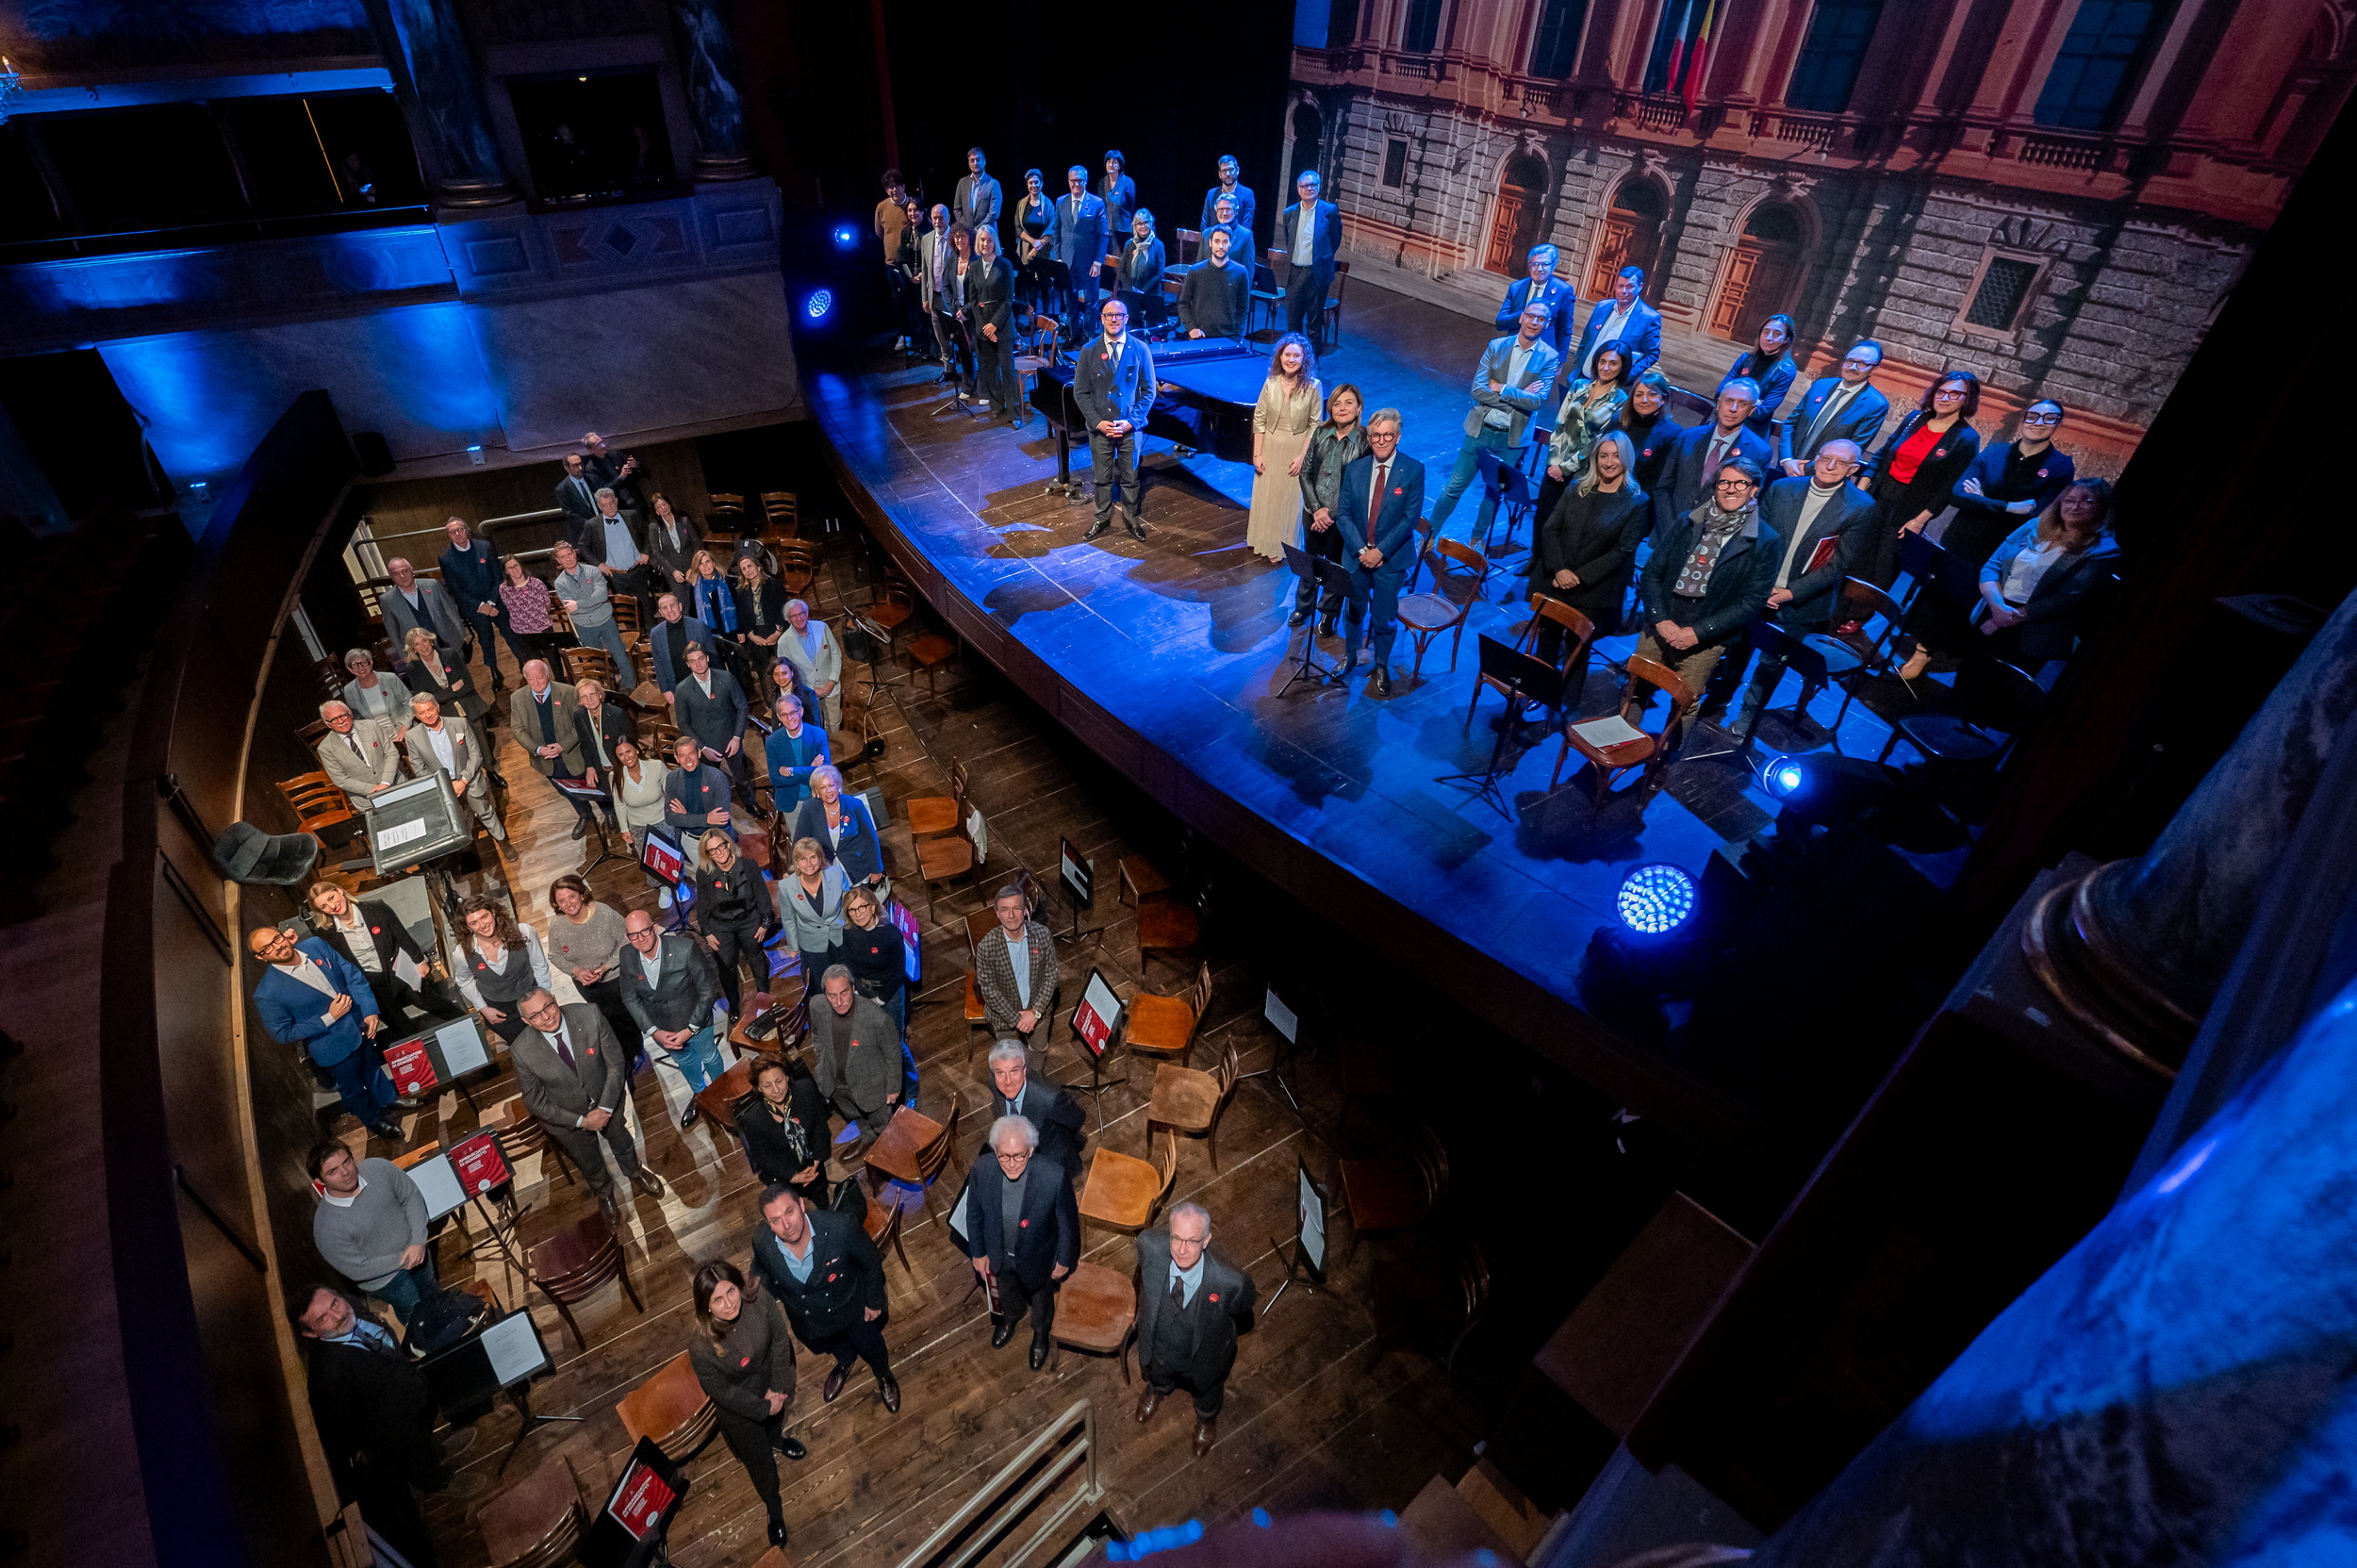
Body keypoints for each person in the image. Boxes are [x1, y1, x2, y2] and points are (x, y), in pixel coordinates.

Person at [291, 1282, 469, 1566]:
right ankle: (439, 1480)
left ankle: (437, 1451)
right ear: (310, 1332)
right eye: (322, 1318)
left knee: (427, 1440)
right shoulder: (328, 1377)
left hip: (413, 1401)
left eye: (334, 1303)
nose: (337, 1315)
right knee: (419, 1462)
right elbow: (340, 1428)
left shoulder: (354, 1312)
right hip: (394, 1432)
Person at [1721, 438, 1878, 729]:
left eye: (1841, 463)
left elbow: (1838, 566)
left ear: (1853, 469)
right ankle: (1719, 698)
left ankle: (1747, 716)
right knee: (1735, 648)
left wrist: (1788, 593)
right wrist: (1759, 584)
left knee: (1772, 663)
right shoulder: (1783, 489)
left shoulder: (1861, 508)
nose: (1830, 466)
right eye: (1825, 458)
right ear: (1814, 459)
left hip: (1801, 601)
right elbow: (1753, 536)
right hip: (1757, 588)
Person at [1627, 457, 1781, 742]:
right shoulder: (1688, 520)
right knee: (1637, 686)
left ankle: (1664, 758)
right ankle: (1620, 741)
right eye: (1724, 482)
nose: (1730, 489)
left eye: (1741, 483)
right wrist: (1660, 619)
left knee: (1684, 702)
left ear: (1754, 489)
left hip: (1706, 637)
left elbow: (1752, 601)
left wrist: (1698, 633)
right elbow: (1652, 573)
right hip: (1662, 621)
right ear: (1715, 486)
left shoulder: (1765, 540)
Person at [510, 988, 665, 1221]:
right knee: (588, 1162)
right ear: (526, 1021)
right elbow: (535, 1101)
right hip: (566, 1120)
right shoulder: (521, 1051)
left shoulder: (589, 1014)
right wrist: (582, 1121)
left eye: (548, 1007)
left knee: (622, 1140)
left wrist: (605, 1109)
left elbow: (615, 1064)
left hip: (608, 1100)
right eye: (535, 1016)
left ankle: (635, 1171)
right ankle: (604, 1193)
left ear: (555, 999)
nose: (546, 1017)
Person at [750, 1184, 899, 1411]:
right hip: (811, 1321)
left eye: (789, 1212)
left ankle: (883, 1375)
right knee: (835, 1346)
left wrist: (874, 1301)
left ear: (801, 1204)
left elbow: (870, 1263)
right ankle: (845, 1362)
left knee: (872, 1346)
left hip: (852, 1309)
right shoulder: (762, 1241)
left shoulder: (840, 1227)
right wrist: (754, 1294)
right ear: (768, 1224)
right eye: (776, 1220)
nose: (786, 1225)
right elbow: (759, 1267)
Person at [688, 1261, 804, 1550]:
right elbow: (724, 1393)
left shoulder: (759, 1297)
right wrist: (763, 1407)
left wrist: (777, 1390)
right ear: (707, 1308)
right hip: (742, 1409)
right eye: (717, 1300)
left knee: (777, 1424)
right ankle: (773, 1505)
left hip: (772, 1382)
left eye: (731, 1291)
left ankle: (777, 1439)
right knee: (759, 1461)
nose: (729, 1304)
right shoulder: (701, 1347)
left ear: (738, 1285)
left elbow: (779, 1340)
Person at [250, 924, 402, 1137]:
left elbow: (353, 977)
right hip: (332, 1046)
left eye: (276, 939)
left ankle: (389, 1100)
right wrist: (329, 1017)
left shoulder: (316, 945)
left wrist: (369, 1010)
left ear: (283, 935)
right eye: (267, 948)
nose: (277, 946)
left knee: (373, 1069)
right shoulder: (267, 993)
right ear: (261, 957)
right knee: (354, 1090)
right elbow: (282, 1033)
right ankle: (375, 1122)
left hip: (360, 1026)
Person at [1430, 302, 1560, 543]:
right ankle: (1429, 535)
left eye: (1541, 319)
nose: (1534, 322)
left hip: (1511, 440)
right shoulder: (1496, 346)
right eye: (1531, 316)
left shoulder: (1549, 358)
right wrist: (1520, 396)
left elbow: (1538, 402)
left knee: (1493, 493)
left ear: (1547, 323)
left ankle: (1477, 541)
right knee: (1453, 488)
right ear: (1521, 318)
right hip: (1480, 431)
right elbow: (1478, 391)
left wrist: (1502, 388)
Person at [958, 1114, 1080, 1371]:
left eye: (1019, 1155)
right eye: (1004, 1156)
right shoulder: (982, 1170)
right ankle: (1011, 1318)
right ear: (995, 1151)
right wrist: (978, 1252)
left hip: (1039, 1259)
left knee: (1042, 1299)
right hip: (999, 1254)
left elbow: (1068, 1225)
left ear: (1031, 1150)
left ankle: (1040, 1333)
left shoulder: (1053, 1178)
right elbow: (974, 1213)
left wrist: (1063, 1261)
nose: (1011, 1164)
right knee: (1007, 1291)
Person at [1133, 1203, 1256, 1458]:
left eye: (1191, 1240)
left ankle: (1206, 1417)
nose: (1181, 1249)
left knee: (1208, 1388)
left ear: (1206, 1240)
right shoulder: (1149, 1247)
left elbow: (1243, 1308)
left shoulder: (1229, 1282)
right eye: (1176, 1238)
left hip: (1203, 1355)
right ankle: (1158, 1388)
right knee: (1160, 1371)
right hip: (1160, 1345)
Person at [1529, 429, 1649, 676]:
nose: (1608, 462)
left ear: (1626, 458)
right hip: (1556, 578)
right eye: (1603, 456)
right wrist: (1560, 569)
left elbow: (1622, 550)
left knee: (1577, 649)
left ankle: (1567, 707)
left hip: (1592, 588)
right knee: (1547, 640)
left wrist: (1579, 577)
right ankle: (1538, 694)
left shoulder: (1637, 501)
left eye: (1616, 456)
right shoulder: (1576, 488)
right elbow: (1551, 528)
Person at [1974, 478, 2121, 669]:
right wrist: (1996, 605)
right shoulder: (2034, 525)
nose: (2074, 506)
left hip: (2033, 631)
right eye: (2068, 500)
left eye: (2087, 501)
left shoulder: (2104, 550)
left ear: (2102, 507)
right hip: (1994, 609)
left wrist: (2000, 621)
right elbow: (1992, 567)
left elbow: (2069, 599)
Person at [1861, 369, 1986, 590]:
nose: (1945, 398)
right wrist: (1862, 489)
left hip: (1910, 509)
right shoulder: (1915, 418)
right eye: (1941, 391)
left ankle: (1859, 618)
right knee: (1859, 553)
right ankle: (1837, 612)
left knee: (1883, 566)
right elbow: (1884, 452)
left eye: (1954, 394)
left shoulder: (1966, 438)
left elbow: (1949, 488)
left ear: (1968, 399)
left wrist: (1919, 521)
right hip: (1878, 495)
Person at [1333, 408, 1426, 698]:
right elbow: (1343, 515)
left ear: (1397, 437)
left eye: (1387, 435)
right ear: (1369, 437)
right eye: (1376, 435)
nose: (1381, 441)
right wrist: (1362, 550)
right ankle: (1350, 656)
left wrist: (1381, 552)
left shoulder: (1413, 470)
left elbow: (1409, 519)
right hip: (1357, 557)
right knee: (1354, 610)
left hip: (1391, 560)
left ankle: (1382, 665)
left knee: (1384, 617)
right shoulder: (1356, 469)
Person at [1945, 399, 2078, 586]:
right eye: (2032, 417)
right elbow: (1958, 495)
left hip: (2000, 555)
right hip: (1959, 540)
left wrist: (1982, 499)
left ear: (2058, 423)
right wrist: (2008, 506)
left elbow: (2036, 518)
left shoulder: (2061, 466)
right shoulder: (1994, 452)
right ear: (2023, 420)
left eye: (2049, 418)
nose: (2038, 423)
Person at [619, 907, 726, 1123]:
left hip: (696, 1023)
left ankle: (722, 1093)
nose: (640, 939)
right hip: (662, 1029)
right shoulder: (627, 955)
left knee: (709, 1056)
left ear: (655, 928)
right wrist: (653, 1031)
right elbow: (629, 997)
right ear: (627, 937)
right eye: (633, 935)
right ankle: (700, 1094)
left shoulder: (685, 949)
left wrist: (691, 1029)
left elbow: (707, 991)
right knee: (685, 1061)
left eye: (645, 931)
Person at [308, 1143, 435, 1324]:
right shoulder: (326, 1227)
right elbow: (359, 1268)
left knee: (432, 1293)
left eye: (347, 1162)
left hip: (418, 1249)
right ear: (320, 1181)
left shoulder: (378, 1168)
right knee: (414, 1313)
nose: (345, 1172)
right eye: (333, 1171)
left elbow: (410, 1195)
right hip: (386, 1280)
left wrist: (418, 1241)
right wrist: (406, 1257)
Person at [305, 881, 447, 1029]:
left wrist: (420, 962)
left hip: (399, 971)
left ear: (339, 891)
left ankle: (467, 1023)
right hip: (372, 986)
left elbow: (401, 936)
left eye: (331, 898)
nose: (332, 906)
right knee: (400, 1026)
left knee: (433, 1004)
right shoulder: (325, 934)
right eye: (324, 906)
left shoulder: (376, 909)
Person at [1074, 296, 1156, 542]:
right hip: (1101, 428)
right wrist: (1098, 422)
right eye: (1109, 315)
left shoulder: (1140, 348)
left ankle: (1131, 518)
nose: (1114, 319)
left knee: (1131, 477)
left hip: (1130, 427)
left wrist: (1132, 421)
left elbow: (1149, 390)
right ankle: (1101, 518)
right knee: (1101, 477)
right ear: (1102, 319)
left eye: (1118, 315)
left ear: (1126, 319)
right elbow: (1080, 392)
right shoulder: (1089, 350)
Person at [1291, 382, 1369, 633]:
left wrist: (1331, 514)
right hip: (1313, 513)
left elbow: (1359, 486)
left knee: (1335, 566)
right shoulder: (1320, 433)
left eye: (1348, 403)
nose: (1342, 408)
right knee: (1310, 562)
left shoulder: (1365, 442)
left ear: (1359, 408)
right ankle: (1304, 607)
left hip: (1342, 518)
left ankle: (1328, 615)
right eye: (1336, 403)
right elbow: (1305, 473)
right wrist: (1316, 510)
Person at [1653, 379, 1772, 536]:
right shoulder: (1687, 437)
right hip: (1667, 532)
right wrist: (1671, 528)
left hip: (1709, 541)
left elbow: (1744, 504)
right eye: (1729, 401)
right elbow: (1663, 487)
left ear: (1751, 410)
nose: (1733, 409)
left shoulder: (1759, 452)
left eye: (1742, 404)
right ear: (1718, 403)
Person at [1536, 338, 1633, 525]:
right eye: (1602, 361)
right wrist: (1555, 463)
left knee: (1563, 526)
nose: (1606, 367)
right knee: (1542, 520)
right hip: (1554, 465)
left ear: (1623, 366)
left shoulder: (1621, 401)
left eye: (1613, 363)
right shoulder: (1579, 386)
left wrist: (1565, 468)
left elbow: (1597, 442)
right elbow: (1560, 424)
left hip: (1582, 474)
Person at [1247, 334, 1324, 563]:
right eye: (1287, 354)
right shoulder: (1270, 383)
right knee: (1268, 496)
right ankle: (1262, 541)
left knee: (1288, 500)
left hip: (1295, 448)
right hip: (1270, 446)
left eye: (1296, 355)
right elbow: (1259, 419)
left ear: (1304, 358)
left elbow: (1315, 426)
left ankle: (1282, 547)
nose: (1291, 359)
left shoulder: (1313, 387)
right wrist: (1257, 453)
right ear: (1280, 357)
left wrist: (1303, 458)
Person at [808, 964, 900, 1145]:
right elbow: (817, 1035)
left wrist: (893, 1088)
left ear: (853, 988)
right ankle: (868, 1138)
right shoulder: (817, 1006)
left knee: (884, 1129)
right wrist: (821, 1062)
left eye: (844, 993)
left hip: (872, 1087)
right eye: (832, 995)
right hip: (837, 1085)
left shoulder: (877, 1019)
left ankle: (885, 1151)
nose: (839, 1001)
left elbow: (893, 1055)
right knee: (854, 1116)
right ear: (825, 994)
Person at [547, 871, 639, 1048]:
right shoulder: (557, 926)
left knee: (626, 1017)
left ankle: (634, 1051)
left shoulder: (604, 913)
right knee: (605, 1018)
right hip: (587, 985)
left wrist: (606, 967)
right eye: (561, 901)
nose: (568, 904)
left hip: (616, 978)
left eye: (572, 897)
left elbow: (626, 942)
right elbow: (555, 955)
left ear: (582, 895)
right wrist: (577, 971)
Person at [508, 659, 601, 837]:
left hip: (573, 754)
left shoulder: (567, 692)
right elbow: (517, 729)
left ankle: (609, 812)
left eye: (540, 678)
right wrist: (537, 749)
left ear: (548, 674)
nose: (536, 683)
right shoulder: (517, 698)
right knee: (567, 790)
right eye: (531, 679)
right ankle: (585, 815)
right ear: (525, 678)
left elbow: (580, 724)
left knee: (594, 785)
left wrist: (563, 745)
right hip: (546, 759)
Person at [694, 828, 778, 1020]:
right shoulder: (704, 874)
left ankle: (763, 997)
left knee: (756, 958)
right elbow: (703, 905)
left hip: (748, 921)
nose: (719, 852)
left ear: (728, 844)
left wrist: (765, 922)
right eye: (712, 851)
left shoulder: (748, 865)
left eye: (721, 846)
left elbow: (762, 896)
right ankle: (733, 1005)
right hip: (721, 926)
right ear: (707, 854)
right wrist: (706, 932)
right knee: (726, 966)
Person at [1777, 339, 1893, 476]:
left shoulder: (1876, 404)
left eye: (1862, 364)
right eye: (1850, 361)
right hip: (1785, 467)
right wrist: (1786, 460)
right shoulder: (1820, 386)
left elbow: (1853, 450)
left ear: (1874, 369)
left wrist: (1806, 469)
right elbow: (1790, 424)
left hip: (1822, 477)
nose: (1853, 367)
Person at [437, 517, 526, 690]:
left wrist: (492, 602)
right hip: (473, 606)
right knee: (485, 639)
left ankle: (522, 661)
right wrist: (481, 606)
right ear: (449, 535)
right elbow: (455, 589)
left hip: (496, 599)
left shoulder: (484, 547)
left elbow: (497, 576)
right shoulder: (445, 558)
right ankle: (494, 671)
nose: (457, 534)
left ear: (467, 530)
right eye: (452, 532)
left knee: (510, 632)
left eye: (460, 530)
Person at [404, 692, 505, 842]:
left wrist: (463, 781)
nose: (428, 715)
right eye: (422, 713)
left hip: (470, 780)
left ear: (437, 707)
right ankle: (468, 851)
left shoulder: (460, 723)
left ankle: (503, 841)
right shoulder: (412, 736)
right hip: (442, 786)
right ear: (416, 716)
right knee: (457, 823)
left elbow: (476, 755)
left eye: (430, 709)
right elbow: (419, 769)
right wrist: (446, 785)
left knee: (485, 813)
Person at [453, 895, 552, 1044]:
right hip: (501, 1012)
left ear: (493, 912)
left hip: (531, 997)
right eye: (474, 923)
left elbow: (540, 965)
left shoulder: (524, 932)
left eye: (484, 917)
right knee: (526, 1049)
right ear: (468, 927)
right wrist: (483, 1008)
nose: (482, 925)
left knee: (550, 1040)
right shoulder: (462, 953)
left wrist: (545, 997)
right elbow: (463, 980)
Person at [736, 1056, 833, 1205]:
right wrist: (793, 1176)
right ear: (758, 1088)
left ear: (787, 1077)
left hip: (812, 1161)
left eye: (779, 1081)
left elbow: (820, 1126)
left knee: (822, 1198)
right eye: (767, 1085)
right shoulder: (753, 1120)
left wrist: (815, 1164)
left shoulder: (805, 1090)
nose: (776, 1090)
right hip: (783, 1173)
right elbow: (763, 1157)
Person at [984, 1038, 1083, 1175]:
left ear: (1024, 1070)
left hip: (1051, 1162)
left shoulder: (1049, 1098)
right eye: (1000, 1073)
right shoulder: (995, 1084)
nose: (1007, 1081)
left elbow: (1077, 1118)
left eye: (1014, 1071)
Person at [976, 883, 1059, 1046]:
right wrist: (1017, 1019)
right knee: (1010, 1060)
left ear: (1025, 910)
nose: (1011, 915)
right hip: (1004, 1020)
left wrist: (1034, 1013)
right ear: (997, 913)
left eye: (1016, 908)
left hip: (1039, 1014)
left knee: (1039, 1051)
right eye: (1005, 909)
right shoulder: (987, 947)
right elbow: (989, 990)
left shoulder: (1042, 935)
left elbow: (1051, 975)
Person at [675, 641, 753, 803]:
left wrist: (737, 737)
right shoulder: (682, 690)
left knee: (742, 777)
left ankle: (750, 804)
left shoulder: (726, 678)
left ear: (707, 658)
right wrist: (702, 747)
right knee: (709, 784)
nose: (698, 664)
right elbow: (683, 723)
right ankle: (715, 812)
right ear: (688, 664)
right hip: (705, 746)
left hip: (731, 740)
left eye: (701, 658)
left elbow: (742, 707)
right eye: (693, 661)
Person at [552, 538, 635, 687]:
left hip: (605, 621)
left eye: (569, 554)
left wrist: (579, 604)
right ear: (558, 560)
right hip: (584, 626)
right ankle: (607, 691)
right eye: (563, 557)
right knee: (597, 663)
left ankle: (631, 689)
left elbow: (602, 596)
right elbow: (570, 606)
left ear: (575, 553)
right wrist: (590, 601)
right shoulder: (560, 583)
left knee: (620, 656)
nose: (568, 558)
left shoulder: (593, 571)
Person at [790, 765, 886, 891]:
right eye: (823, 787)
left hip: (858, 868)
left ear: (838, 785)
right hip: (827, 870)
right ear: (816, 791)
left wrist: (876, 869)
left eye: (831, 785)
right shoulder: (809, 808)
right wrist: (791, 870)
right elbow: (799, 842)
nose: (828, 791)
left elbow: (870, 838)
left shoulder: (855, 805)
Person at [779, 834, 849, 999]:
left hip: (840, 937)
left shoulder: (836, 874)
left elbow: (848, 904)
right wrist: (793, 947)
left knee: (846, 979)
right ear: (796, 862)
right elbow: (788, 919)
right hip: (812, 944)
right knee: (819, 988)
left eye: (813, 858)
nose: (809, 864)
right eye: (803, 859)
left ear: (820, 859)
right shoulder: (786, 886)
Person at [1573, 264, 1663, 380]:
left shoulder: (1649, 318)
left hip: (1612, 388)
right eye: (1620, 286)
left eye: (1630, 286)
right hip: (1581, 379)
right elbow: (1586, 339)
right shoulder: (1602, 306)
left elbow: (1652, 354)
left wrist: (1625, 377)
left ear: (1640, 287)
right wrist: (1578, 364)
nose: (1624, 291)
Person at [1277, 171, 1341, 336]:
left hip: (1316, 276)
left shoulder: (1329, 211)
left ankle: (1313, 361)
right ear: (1298, 190)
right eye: (1304, 186)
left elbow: (1335, 240)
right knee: (1293, 324)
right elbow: (1288, 241)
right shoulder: (1289, 213)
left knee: (1314, 325)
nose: (1309, 188)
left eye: (1313, 185)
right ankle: (1293, 359)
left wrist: (1320, 258)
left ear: (1318, 188)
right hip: (1295, 274)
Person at [840, 883, 908, 1036]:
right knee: (871, 1036)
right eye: (852, 910)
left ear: (872, 907)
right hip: (861, 991)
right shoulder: (849, 932)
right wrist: (854, 990)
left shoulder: (890, 934)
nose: (858, 914)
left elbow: (898, 972)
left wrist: (879, 1000)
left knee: (894, 1042)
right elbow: (847, 959)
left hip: (888, 994)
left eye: (862, 907)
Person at [377, 556, 469, 668]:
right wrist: (404, 655)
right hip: (419, 653)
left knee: (461, 678)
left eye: (405, 571)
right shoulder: (387, 600)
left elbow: (450, 610)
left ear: (412, 570)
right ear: (391, 577)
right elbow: (392, 631)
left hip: (449, 642)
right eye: (396, 573)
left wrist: (461, 634)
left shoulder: (432, 585)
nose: (402, 576)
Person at [608, 736, 671, 897]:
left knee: (670, 855)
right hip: (638, 824)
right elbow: (620, 804)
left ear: (636, 750)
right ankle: (663, 888)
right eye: (621, 755)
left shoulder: (656, 766)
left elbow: (671, 792)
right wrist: (624, 829)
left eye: (628, 751)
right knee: (650, 860)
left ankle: (676, 882)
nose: (626, 757)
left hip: (661, 818)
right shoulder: (616, 776)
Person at [398, 625, 490, 734]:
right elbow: (424, 699)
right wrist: (452, 690)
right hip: (446, 717)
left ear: (431, 641)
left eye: (425, 641)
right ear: (414, 649)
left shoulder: (450, 654)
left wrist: (439, 696)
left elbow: (468, 684)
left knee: (483, 749)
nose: (423, 646)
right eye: (417, 644)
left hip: (470, 708)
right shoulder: (413, 669)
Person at [969, 225, 1020, 421]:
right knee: (989, 369)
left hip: (1003, 325)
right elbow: (973, 300)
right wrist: (985, 326)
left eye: (989, 240)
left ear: (994, 243)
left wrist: (994, 325)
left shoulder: (1005, 264)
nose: (985, 244)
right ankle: (997, 405)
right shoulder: (974, 267)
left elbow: (1008, 299)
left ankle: (1015, 413)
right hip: (983, 326)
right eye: (982, 240)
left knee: (1008, 370)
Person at [315, 701, 403, 813]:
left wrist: (385, 783)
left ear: (350, 713)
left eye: (343, 716)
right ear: (327, 724)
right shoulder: (325, 748)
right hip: (367, 801)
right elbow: (340, 779)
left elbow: (391, 753)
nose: (341, 721)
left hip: (396, 785)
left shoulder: (371, 726)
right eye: (334, 719)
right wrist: (373, 790)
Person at [664, 732, 736, 867]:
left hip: (718, 841)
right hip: (691, 842)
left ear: (698, 753)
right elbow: (670, 817)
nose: (688, 760)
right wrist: (705, 819)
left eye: (691, 753)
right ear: (676, 758)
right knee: (706, 881)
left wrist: (686, 816)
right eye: (682, 756)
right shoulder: (672, 779)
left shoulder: (716, 777)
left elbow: (721, 820)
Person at [1494, 244, 1576, 362]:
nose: (1539, 269)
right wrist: (1526, 315)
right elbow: (1500, 323)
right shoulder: (1516, 287)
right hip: (1513, 353)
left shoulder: (1563, 291)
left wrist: (1560, 362)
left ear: (1554, 265)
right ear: (1529, 265)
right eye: (1535, 264)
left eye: (1545, 264)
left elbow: (1565, 330)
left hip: (1542, 357)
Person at [571, 676, 633, 830]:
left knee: (625, 798)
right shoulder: (579, 717)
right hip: (600, 767)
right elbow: (584, 744)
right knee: (605, 795)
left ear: (599, 694)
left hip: (619, 766)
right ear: (580, 701)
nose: (589, 699)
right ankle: (610, 814)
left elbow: (629, 743)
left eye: (592, 694)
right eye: (584, 696)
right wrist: (590, 767)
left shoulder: (617, 714)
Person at [1053, 166, 1109, 332]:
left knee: (1091, 302)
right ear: (1068, 181)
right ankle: (1074, 335)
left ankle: (1090, 336)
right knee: (1070, 301)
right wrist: (1058, 259)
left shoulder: (1097, 203)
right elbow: (1056, 231)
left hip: (1089, 262)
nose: (1076, 184)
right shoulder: (1061, 202)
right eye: (1073, 180)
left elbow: (1103, 235)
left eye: (1080, 180)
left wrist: (1098, 261)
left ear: (1085, 181)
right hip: (1067, 261)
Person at [1723, 313, 1798, 435]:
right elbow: (1721, 392)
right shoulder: (1746, 358)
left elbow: (1763, 411)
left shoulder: (1786, 370)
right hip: (1723, 423)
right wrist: (1753, 402)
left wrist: (1731, 402)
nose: (1769, 338)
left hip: (1751, 431)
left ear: (1787, 339)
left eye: (1777, 334)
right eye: (1766, 331)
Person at [778, 598, 844, 730]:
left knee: (835, 723)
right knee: (814, 725)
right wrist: (811, 690)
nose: (799, 618)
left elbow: (836, 654)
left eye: (801, 613)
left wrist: (832, 681)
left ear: (807, 613)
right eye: (793, 616)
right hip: (806, 693)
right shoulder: (784, 642)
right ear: (788, 619)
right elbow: (786, 674)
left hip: (831, 687)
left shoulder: (822, 627)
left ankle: (834, 748)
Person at [1177, 224, 1249, 339]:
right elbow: (1183, 303)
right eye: (1217, 241)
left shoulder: (1240, 272)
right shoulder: (1196, 271)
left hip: (1229, 337)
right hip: (1200, 336)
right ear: (1210, 243)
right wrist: (1191, 328)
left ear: (1230, 244)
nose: (1221, 246)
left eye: (1225, 242)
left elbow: (1243, 307)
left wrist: (1238, 335)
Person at [765, 693, 830, 814]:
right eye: (784, 714)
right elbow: (776, 779)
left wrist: (792, 771)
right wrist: (811, 769)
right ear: (779, 717)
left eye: (792, 712)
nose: (789, 718)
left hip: (818, 798)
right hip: (791, 804)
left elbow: (825, 772)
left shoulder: (818, 734)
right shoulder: (772, 741)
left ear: (801, 711)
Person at [648, 592, 717, 704]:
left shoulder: (699, 626)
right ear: (661, 612)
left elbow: (713, 656)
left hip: (703, 682)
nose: (670, 610)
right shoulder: (656, 633)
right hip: (678, 687)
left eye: (672, 605)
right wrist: (665, 689)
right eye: (665, 608)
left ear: (680, 606)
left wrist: (716, 683)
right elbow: (658, 663)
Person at [1623, 370, 1683, 495]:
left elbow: (1662, 481)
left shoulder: (1673, 434)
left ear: (1663, 399)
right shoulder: (1619, 421)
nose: (1644, 400)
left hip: (1639, 498)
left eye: (1652, 394)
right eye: (1638, 395)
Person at [918, 202, 960, 381]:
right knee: (941, 337)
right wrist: (925, 298)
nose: (937, 221)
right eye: (934, 218)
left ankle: (967, 372)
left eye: (941, 217)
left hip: (953, 298)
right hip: (934, 296)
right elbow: (925, 270)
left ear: (948, 218)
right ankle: (948, 369)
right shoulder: (926, 239)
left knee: (959, 336)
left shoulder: (957, 238)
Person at [644, 493, 705, 612]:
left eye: (664, 504)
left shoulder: (684, 521)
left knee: (700, 601)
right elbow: (657, 552)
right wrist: (673, 571)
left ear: (669, 504)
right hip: (672, 571)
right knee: (683, 605)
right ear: (656, 511)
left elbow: (696, 544)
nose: (663, 508)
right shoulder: (654, 527)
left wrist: (692, 568)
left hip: (692, 567)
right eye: (659, 507)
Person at [496, 556, 560, 665]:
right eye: (510, 568)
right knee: (534, 664)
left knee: (554, 660)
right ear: (506, 571)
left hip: (543, 628)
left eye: (516, 565)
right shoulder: (504, 588)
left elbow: (547, 604)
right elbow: (509, 607)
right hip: (523, 632)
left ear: (521, 565)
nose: (514, 569)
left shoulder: (537, 583)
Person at [339, 649, 414, 738]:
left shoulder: (390, 678)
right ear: (349, 669)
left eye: (364, 662)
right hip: (378, 738)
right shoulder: (349, 690)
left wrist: (403, 731)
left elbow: (410, 704)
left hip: (406, 731)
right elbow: (357, 720)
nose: (361, 667)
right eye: (354, 665)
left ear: (371, 662)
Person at [1014, 168, 1059, 313]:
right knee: (1030, 286)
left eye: (1036, 182)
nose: (1034, 185)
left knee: (1044, 287)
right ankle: (1032, 319)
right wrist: (1032, 242)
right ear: (1027, 185)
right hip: (1026, 252)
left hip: (1043, 252)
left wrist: (1037, 246)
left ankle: (1045, 319)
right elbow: (1018, 228)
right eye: (1030, 183)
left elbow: (1051, 229)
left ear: (1042, 183)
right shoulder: (1022, 204)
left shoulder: (1048, 205)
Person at [1114, 208, 1164, 333]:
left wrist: (1143, 292)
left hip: (1150, 292)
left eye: (1145, 223)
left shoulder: (1158, 245)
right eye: (1139, 224)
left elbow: (1159, 274)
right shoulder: (1129, 245)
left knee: (1153, 330)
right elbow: (1122, 272)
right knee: (1134, 327)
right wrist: (1131, 290)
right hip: (1132, 292)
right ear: (1134, 226)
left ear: (1151, 224)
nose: (1143, 226)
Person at [583, 431, 647, 516]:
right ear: (591, 450)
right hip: (618, 507)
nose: (603, 446)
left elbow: (637, 474)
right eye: (598, 444)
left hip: (636, 499)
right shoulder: (591, 469)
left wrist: (636, 465)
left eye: (602, 442)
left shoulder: (616, 454)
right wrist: (621, 477)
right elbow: (603, 491)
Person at [1201, 155, 1256, 242]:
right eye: (1224, 171)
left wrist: (1229, 244)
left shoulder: (1247, 194)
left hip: (1236, 245)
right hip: (1213, 244)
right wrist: (1210, 242)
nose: (1228, 174)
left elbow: (1246, 226)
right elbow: (1205, 223)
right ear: (1219, 174)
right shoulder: (1211, 194)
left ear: (1237, 170)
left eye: (1230, 170)